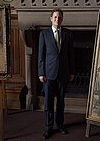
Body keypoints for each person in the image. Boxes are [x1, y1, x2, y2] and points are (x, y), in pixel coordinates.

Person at [38, 8, 75, 139]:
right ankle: (48, 127)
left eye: (59, 17)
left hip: (63, 73)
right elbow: (41, 55)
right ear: (51, 18)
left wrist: (72, 72)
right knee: (48, 102)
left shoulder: (68, 34)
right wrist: (41, 73)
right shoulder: (44, 34)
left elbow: (71, 55)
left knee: (61, 102)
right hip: (48, 74)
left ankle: (60, 124)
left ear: (62, 19)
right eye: (55, 17)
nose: (57, 19)